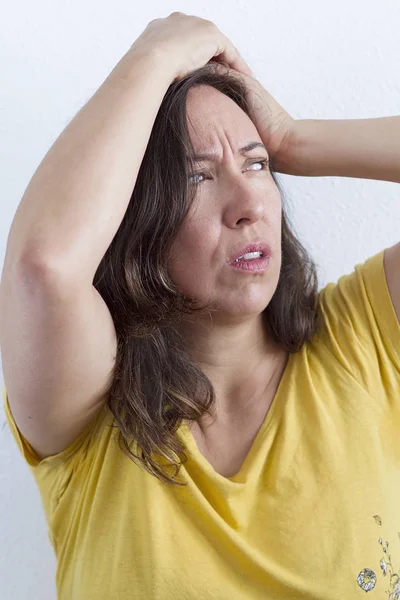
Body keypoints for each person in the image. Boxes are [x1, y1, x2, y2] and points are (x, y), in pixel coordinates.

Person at [1, 11, 400, 600]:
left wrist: (291, 137)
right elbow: (45, 269)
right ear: (136, 222)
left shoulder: (361, 337)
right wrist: (157, 53)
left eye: (257, 164)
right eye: (196, 177)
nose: (249, 204)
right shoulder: (87, 408)